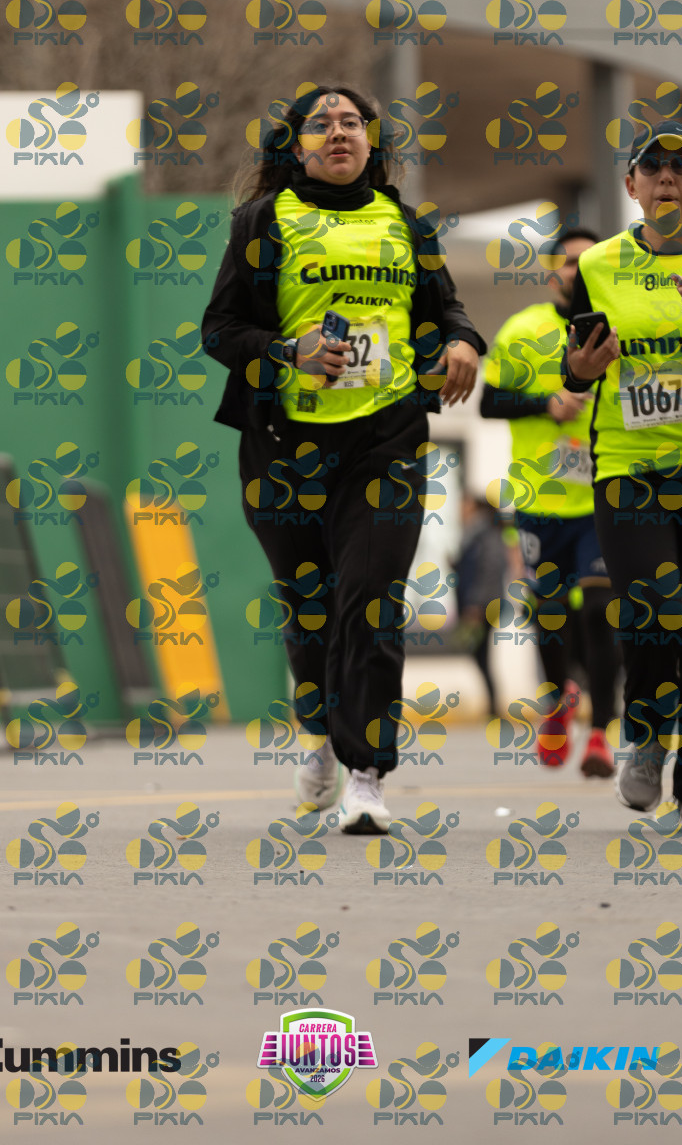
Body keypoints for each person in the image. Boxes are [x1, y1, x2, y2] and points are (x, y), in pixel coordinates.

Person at [202, 85, 485, 833]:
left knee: (370, 597)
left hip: (384, 439)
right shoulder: (263, 221)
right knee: (312, 611)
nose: (338, 132)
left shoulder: (406, 224)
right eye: (321, 124)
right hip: (284, 445)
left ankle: (366, 775)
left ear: (371, 141)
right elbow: (220, 330)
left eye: (352, 122)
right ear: (295, 146)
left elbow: (446, 309)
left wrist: (462, 342)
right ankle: (323, 736)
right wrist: (286, 352)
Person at [563, 119, 682, 831]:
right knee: (650, 604)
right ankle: (644, 734)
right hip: (630, 466)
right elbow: (575, 365)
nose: (667, 176)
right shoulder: (598, 265)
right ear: (631, 185)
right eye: (652, 166)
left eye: (681, 166)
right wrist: (578, 370)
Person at [480, 229, 619, 775]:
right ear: (550, 271)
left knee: (602, 614)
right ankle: (558, 704)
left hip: (601, 497)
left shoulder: (619, 326)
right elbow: (488, 401)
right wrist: (546, 403)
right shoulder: (523, 329)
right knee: (552, 617)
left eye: (588, 262)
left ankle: (601, 734)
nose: (576, 271)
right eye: (568, 262)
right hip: (540, 499)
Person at [451, 495, 508, 718]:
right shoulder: (474, 533)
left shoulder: (485, 534)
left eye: (464, 505)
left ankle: (494, 706)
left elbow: (490, 569)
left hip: (483, 606)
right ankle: (492, 705)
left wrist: (476, 604)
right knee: (480, 655)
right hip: (479, 604)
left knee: (482, 655)